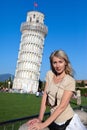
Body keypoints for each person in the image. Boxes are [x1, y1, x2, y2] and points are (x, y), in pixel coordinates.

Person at [19, 50, 86, 130]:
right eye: (54, 62)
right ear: (52, 64)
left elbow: (62, 106)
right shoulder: (49, 74)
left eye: (60, 62)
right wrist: (40, 118)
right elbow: (45, 96)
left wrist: (42, 125)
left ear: (65, 62)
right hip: (53, 121)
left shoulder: (70, 80)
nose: (57, 65)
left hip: (69, 123)